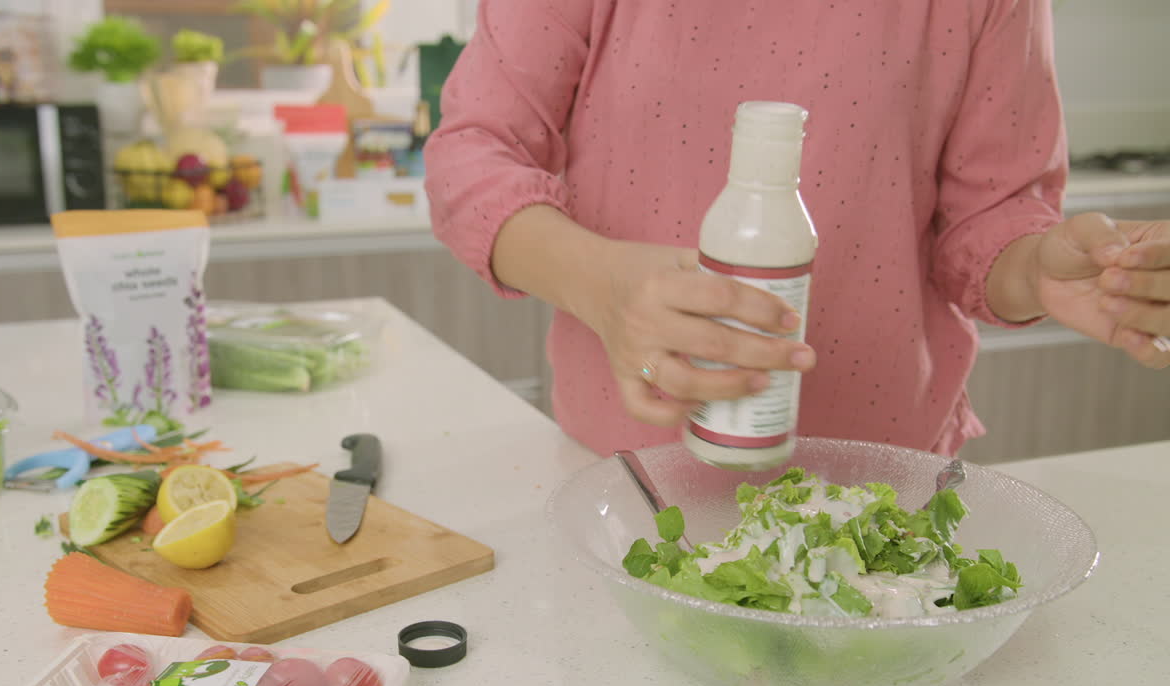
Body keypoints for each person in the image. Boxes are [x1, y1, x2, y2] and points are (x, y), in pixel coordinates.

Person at [422, 0, 1169, 459]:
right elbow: (473, 153)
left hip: (882, 484)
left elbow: (991, 218)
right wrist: (604, 287)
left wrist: (1036, 268)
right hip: (627, 471)